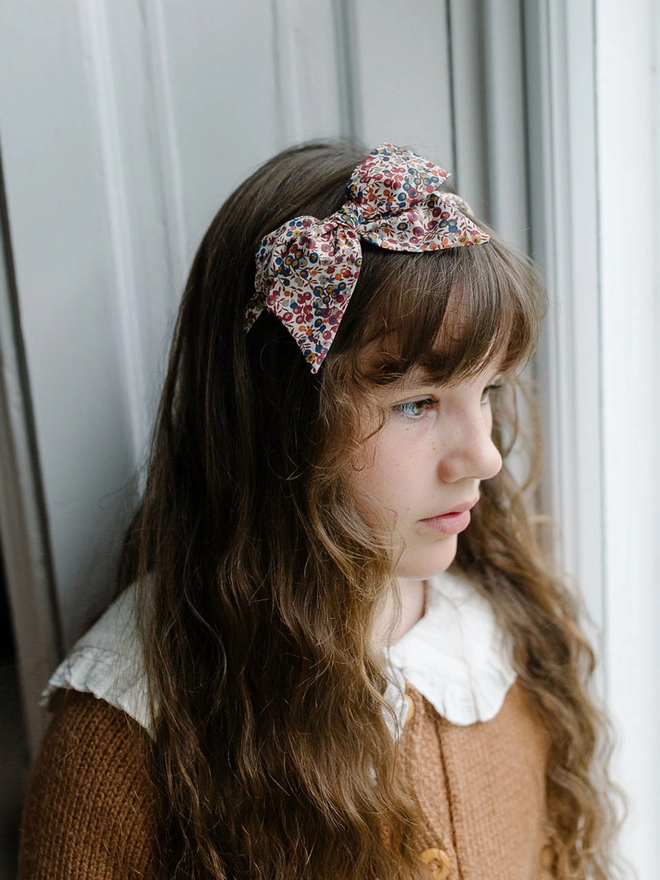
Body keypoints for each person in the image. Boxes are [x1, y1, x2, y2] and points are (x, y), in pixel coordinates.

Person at [18, 143, 618, 880]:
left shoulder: (500, 635)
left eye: (488, 392)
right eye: (417, 404)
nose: (485, 457)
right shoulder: (134, 730)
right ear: (282, 424)